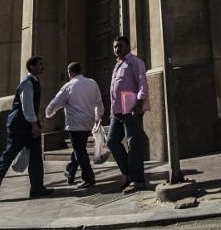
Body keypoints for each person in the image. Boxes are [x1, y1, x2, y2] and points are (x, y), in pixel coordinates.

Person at [0, 56, 52, 203]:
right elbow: (26, 105)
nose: (43, 67)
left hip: (30, 124)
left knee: (36, 158)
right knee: (7, 157)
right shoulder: (27, 83)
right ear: (32, 67)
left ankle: (37, 188)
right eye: (40, 64)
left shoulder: (34, 81)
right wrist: (34, 125)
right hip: (20, 126)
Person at [45, 62, 105, 189]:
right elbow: (98, 102)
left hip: (75, 124)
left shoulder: (69, 86)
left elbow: (56, 102)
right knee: (79, 149)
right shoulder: (92, 83)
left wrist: (48, 113)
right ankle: (70, 171)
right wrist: (98, 117)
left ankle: (88, 177)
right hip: (88, 122)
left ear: (70, 73)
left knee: (80, 151)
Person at [107, 35, 149, 195]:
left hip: (131, 109)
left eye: (121, 46)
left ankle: (137, 181)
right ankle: (129, 174)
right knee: (111, 142)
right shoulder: (117, 65)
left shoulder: (135, 62)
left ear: (127, 46)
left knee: (133, 145)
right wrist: (111, 110)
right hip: (116, 111)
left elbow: (143, 83)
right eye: (115, 47)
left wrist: (139, 103)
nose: (117, 49)